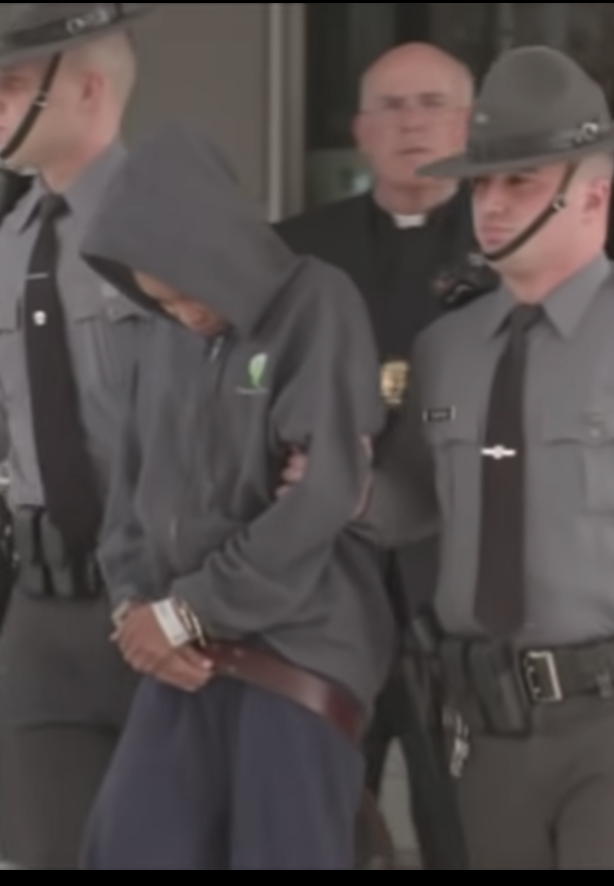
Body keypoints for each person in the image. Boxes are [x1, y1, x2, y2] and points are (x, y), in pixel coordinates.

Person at [75, 119, 395, 869]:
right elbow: (128, 494)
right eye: (161, 300)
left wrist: (189, 610)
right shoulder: (162, 336)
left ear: (215, 247)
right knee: (126, 846)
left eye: (188, 293)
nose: (184, 314)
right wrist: (136, 608)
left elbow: (321, 494)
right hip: (181, 652)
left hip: (296, 650)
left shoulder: (314, 301)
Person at [352, 45, 614, 868]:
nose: (492, 206)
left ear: (594, 195)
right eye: (482, 185)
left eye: (520, 183)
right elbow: (415, 498)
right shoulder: (448, 347)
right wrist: (341, 485)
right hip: (485, 727)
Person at [276, 41, 484, 869]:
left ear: (470, 124)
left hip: (460, 597)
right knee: (320, 830)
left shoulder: (510, 250)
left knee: (462, 832)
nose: (411, 123)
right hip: (327, 594)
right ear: (360, 130)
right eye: (391, 107)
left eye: (432, 104)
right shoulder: (296, 251)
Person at [0, 3, 156, 869]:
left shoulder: (169, 230)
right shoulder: (10, 243)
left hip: (155, 601)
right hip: (39, 608)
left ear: (89, 88)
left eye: (12, 82)